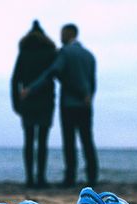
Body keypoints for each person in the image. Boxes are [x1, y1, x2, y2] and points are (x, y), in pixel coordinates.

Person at [21, 23, 98, 187]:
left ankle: (70, 178)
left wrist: (31, 88)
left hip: (69, 104)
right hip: (86, 105)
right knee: (87, 140)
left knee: (69, 142)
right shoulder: (89, 55)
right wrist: (89, 97)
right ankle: (92, 177)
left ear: (69, 34)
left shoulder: (65, 52)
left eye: (62, 34)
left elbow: (52, 72)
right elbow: (93, 82)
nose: (60, 37)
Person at [11, 20, 57, 188]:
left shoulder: (24, 52)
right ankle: (41, 178)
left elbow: (15, 79)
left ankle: (29, 178)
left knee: (29, 140)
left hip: (27, 101)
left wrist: (16, 103)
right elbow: (55, 75)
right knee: (43, 141)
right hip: (46, 101)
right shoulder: (50, 52)